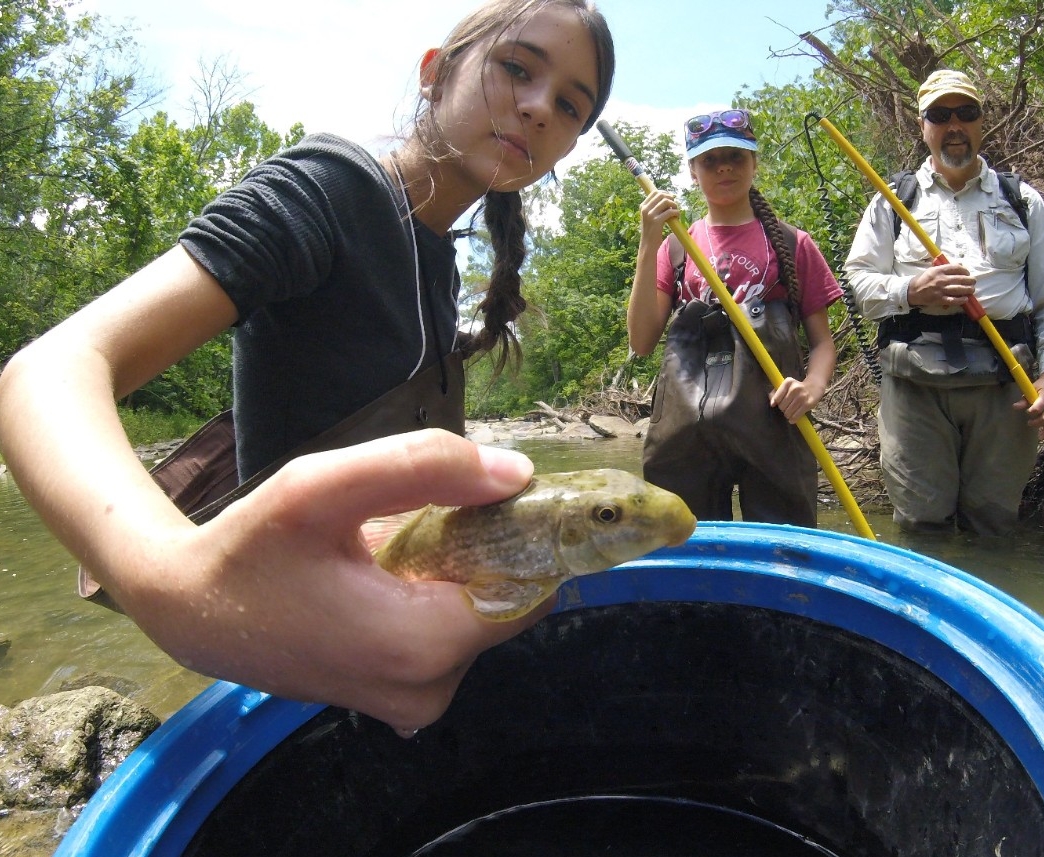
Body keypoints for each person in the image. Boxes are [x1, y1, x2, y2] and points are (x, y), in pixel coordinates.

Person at [0, 0, 615, 736]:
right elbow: (49, 370)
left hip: (384, 633)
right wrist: (174, 588)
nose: (541, 107)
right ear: (435, 73)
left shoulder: (442, 265)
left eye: (572, 106)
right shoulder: (326, 192)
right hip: (283, 647)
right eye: (517, 67)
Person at [844, 69, 1044, 535]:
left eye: (966, 113)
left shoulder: (1023, 200)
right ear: (923, 126)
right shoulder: (892, 201)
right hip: (913, 383)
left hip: (1007, 380)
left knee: (993, 523)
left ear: (981, 121)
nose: (953, 125)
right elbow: (859, 283)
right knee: (920, 522)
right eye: (939, 114)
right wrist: (913, 290)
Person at [629, 108, 842, 525]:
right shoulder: (674, 247)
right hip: (687, 430)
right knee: (686, 545)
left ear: (754, 163)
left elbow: (822, 344)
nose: (724, 166)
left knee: (785, 552)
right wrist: (647, 241)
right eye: (710, 159)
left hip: (774, 420)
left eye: (736, 156)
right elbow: (641, 342)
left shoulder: (795, 243)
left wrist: (811, 388)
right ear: (693, 171)